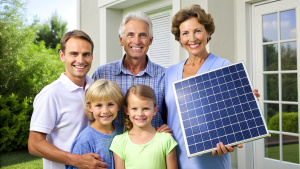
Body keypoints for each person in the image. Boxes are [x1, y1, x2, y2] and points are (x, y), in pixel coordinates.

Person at [165, 5, 260, 168]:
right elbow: (168, 114)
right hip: (174, 160)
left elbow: (235, 116)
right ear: (179, 38)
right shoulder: (169, 73)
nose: (192, 38)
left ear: (208, 33)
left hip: (211, 161)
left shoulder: (222, 67)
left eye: (197, 31)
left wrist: (248, 103)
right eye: (185, 33)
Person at [28, 30, 108, 169]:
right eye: (74, 54)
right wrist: (77, 161)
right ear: (62, 56)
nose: (80, 60)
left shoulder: (96, 88)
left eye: (86, 54)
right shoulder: (51, 94)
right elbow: (34, 144)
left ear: (92, 57)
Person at [92, 12, 168, 131]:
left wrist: (167, 129)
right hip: (112, 147)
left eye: (142, 35)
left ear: (150, 40)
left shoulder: (165, 76)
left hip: (154, 148)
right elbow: (93, 114)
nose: (136, 41)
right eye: (130, 35)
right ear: (121, 40)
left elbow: (170, 116)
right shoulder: (102, 74)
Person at [110, 85, 178, 169]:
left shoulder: (166, 139)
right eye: (134, 108)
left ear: (155, 110)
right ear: (126, 110)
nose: (140, 114)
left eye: (145, 108)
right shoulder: (119, 142)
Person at [66, 79, 124, 169]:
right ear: (90, 107)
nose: (105, 111)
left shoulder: (123, 132)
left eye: (110, 104)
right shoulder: (85, 140)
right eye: (99, 105)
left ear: (118, 106)